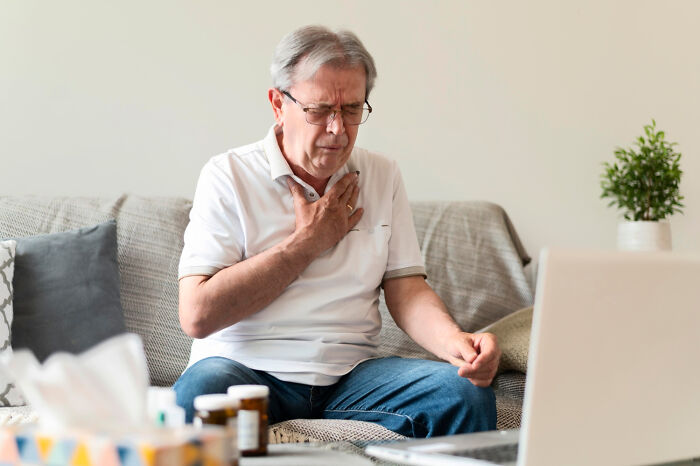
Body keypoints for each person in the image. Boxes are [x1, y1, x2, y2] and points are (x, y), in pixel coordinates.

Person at [174, 25, 500, 438]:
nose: (337, 130)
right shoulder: (228, 175)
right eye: (320, 109)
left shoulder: (381, 173)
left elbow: (406, 288)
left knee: (463, 392)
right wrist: (307, 243)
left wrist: (458, 345)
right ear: (278, 104)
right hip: (245, 370)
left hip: (350, 378)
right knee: (199, 392)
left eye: (351, 110)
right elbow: (198, 314)